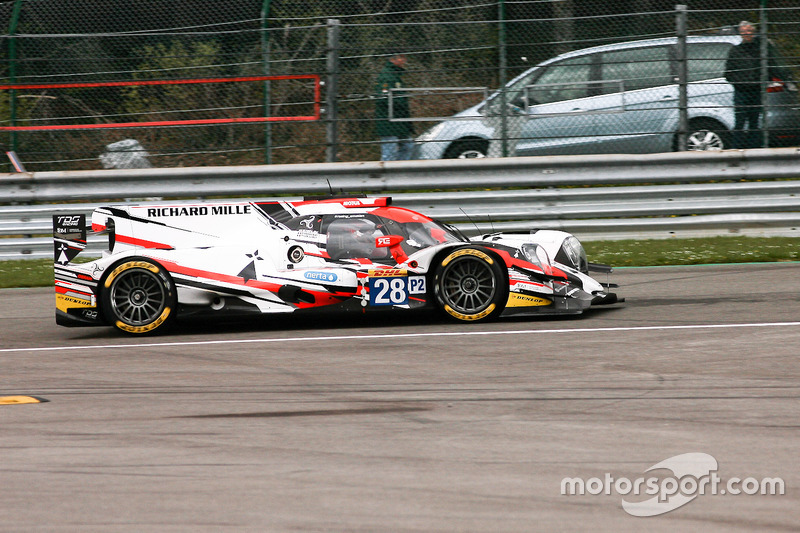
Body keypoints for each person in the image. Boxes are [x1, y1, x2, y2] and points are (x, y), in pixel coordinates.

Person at [724, 21, 785, 149]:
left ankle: (754, 147)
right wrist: (739, 83)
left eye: (749, 31)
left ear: (753, 32)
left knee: (754, 120)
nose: (747, 34)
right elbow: (728, 72)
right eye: (744, 32)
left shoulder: (760, 50)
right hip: (741, 91)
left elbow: (770, 66)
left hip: (756, 90)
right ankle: (737, 147)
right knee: (740, 120)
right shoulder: (735, 51)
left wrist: (767, 80)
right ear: (740, 34)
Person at [374, 53, 414, 161]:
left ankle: (401, 170)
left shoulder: (395, 76)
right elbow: (383, 98)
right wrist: (400, 104)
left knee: (407, 146)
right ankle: (386, 173)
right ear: (393, 59)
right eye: (401, 58)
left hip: (400, 120)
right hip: (389, 121)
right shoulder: (387, 76)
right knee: (389, 151)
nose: (404, 60)